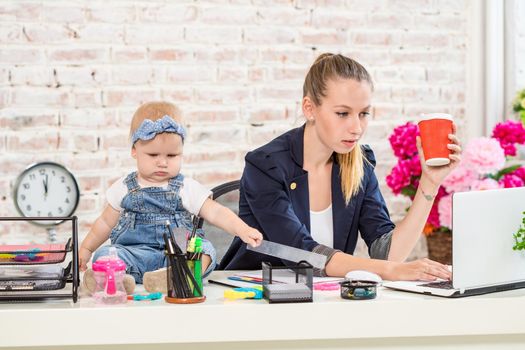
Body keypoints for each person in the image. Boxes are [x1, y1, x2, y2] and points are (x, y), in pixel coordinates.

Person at [219, 53, 461, 280]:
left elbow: (387, 253)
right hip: (255, 302)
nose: (356, 127)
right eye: (343, 113)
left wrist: (429, 182)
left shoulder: (358, 164)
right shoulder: (265, 166)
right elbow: (306, 255)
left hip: (326, 301)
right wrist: (391, 271)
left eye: (364, 114)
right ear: (309, 108)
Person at [80, 101, 263, 294]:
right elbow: (104, 224)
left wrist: (242, 229)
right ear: (134, 150)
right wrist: (86, 249)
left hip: (177, 257)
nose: (162, 162)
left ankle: (170, 276)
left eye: (172, 155)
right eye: (153, 154)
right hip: (135, 255)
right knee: (104, 256)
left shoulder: (185, 187)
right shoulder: (124, 187)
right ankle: (120, 280)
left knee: (207, 251)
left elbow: (216, 212)